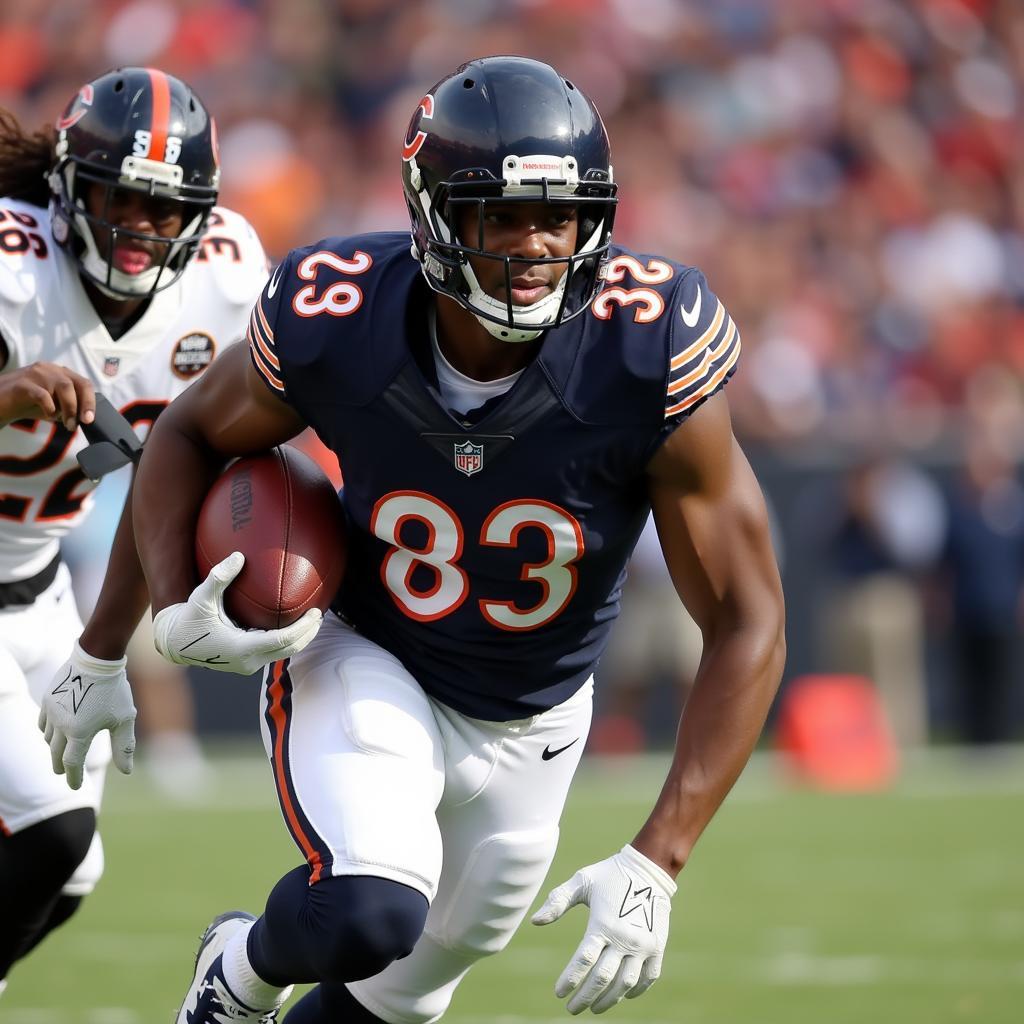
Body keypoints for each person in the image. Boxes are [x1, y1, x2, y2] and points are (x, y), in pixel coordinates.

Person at [131, 56, 785, 1023]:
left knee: (394, 1001)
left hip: (539, 715)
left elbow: (747, 617)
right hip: (374, 650)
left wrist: (658, 859)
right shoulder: (341, 315)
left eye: (556, 216)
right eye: (501, 215)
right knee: (368, 910)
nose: (533, 245)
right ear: (434, 216)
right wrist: (168, 596)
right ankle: (237, 970)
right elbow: (186, 430)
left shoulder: (646, 348)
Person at [0, 66, 268, 993]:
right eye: (118, 196)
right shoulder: (10, 266)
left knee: (73, 868)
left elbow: (217, 456)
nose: (138, 226)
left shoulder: (228, 280)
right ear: (71, 188)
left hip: (40, 585)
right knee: (48, 829)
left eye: (164, 207)